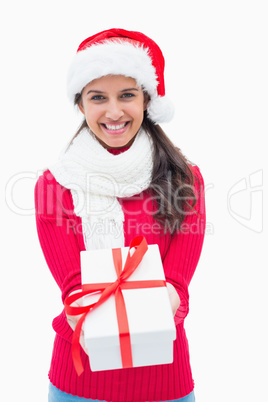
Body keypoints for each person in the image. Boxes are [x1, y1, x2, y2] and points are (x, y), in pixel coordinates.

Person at [34, 28, 206, 402]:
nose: (114, 112)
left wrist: (160, 304)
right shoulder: (54, 186)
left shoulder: (185, 180)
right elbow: (74, 285)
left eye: (127, 95)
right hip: (81, 380)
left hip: (164, 378)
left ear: (147, 100)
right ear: (81, 105)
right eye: (98, 97)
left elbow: (176, 282)